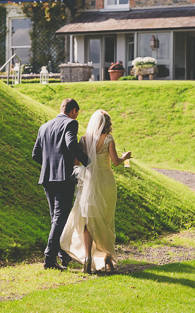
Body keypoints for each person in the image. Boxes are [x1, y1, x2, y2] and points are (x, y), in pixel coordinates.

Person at [60, 109, 132, 274]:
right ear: (106, 124)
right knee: (106, 218)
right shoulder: (108, 139)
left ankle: (88, 257)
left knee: (89, 220)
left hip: (90, 183)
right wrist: (125, 157)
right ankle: (107, 257)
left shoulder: (84, 140)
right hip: (106, 183)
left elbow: (76, 162)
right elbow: (116, 162)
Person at [32, 98, 90, 271]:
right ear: (73, 111)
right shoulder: (70, 124)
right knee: (59, 217)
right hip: (63, 177)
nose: (76, 116)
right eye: (77, 113)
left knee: (56, 217)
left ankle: (63, 255)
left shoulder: (44, 126)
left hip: (46, 177)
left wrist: (49, 166)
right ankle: (49, 258)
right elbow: (71, 143)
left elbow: (35, 154)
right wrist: (88, 162)